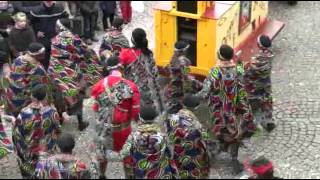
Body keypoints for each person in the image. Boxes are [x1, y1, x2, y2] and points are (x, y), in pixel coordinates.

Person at [196, 44, 256, 173]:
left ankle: (213, 152)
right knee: (233, 132)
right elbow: (243, 77)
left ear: (219, 56)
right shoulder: (237, 69)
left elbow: (205, 92)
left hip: (217, 110)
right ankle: (234, 159)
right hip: (233, 109)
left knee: (215, 130)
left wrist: (194, 97)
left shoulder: (215, 71)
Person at [48, 18, 103, 130]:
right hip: (70, 72)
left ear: (60, 27)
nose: (55, 28)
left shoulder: (54, 40)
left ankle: (60, 118)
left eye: (56, 26)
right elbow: (86, 52)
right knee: (76, 95)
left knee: (58, 95)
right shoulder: (74, 38)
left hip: (54, 71)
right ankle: (80, 123)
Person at [90, 56, 140, 179]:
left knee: (102, 152)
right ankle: (129, 176)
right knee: (127, 154)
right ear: (121, 67)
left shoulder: (98, 85)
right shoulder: (131, 86)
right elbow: (135, 112)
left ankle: (102, 175)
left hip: (104, 128)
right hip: (123, 129)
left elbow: (95, 108)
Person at [105, 106, 178, 179]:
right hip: (162, 173)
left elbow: (123, 154)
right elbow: (171, 153)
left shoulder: (134, 136)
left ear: (140, 118)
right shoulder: (163, 135)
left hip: (142, 173)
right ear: (155, 118)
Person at [12, 84, 61, 179]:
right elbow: (58, 130)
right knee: (45, 172)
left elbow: (17, 134)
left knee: (30, 172)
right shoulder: (52, 112)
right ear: (45, 96)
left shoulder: (24, 113)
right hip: (45, 150)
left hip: (30, 151)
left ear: (33, 97)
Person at [164, 94, 210, 179]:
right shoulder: (189, 115)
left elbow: (169, 140)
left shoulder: (168, 120)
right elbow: (204, 134)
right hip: (196, 152)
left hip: (180, 153)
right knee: (200, 173)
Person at [119, 28, 164, 113]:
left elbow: (118, 70)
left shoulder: (126, 53)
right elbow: (155, 73)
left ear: (133, 40)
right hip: (151, 91)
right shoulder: (148, 53)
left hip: (136, 90)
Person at [4, 42, 50, 117]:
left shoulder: (19, 59)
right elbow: (44, 85)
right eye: (41, 55)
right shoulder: (37, 68)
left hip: (12, 95)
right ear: (35, 54)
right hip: (25, 99)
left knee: (13, 116)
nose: (43, 57)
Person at [244, 35, 275, 132]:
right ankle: (268, 120)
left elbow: (248, 72)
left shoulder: (257, 59)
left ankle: (250, 123)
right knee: (267, 101)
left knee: (247, 100)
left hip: (254, 85)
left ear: (259, 45)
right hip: (266, 83)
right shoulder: (270, 55)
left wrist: (241, 66)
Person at [164, 40, 203, 110]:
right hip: (178, 89)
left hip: (172, 86)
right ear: (183, 51)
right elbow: (187, 76)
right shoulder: (183, 61)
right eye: (187, 49)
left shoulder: (174, 57)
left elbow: (167, 68)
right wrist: (199, 84)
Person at [30, 1, 68, 70]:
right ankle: (46, 71)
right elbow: (32, 23)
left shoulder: (59, 8)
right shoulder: (37, 10)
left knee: (59, 55)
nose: (49, 3)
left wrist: (61, 28)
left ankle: (59, 71)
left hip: (57, 36)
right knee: (45, 57)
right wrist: (37, 31)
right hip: (44, 37)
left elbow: (66, 19)